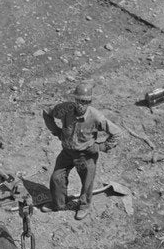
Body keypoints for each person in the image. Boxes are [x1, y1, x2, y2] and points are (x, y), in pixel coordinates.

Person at [43, 83, 120, 219]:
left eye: (85, 102)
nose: (81, 105)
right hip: (67, 152)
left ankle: (84, 206)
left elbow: (117, 133)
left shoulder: (96, 117)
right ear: (74, 100)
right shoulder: (65, 109)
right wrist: (56, 131)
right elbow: (47, 113)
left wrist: (102, 147)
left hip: (85, 155)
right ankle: (59, 204)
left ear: (89, 102)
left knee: (86, 182)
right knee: (56, 178)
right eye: (78, 101)